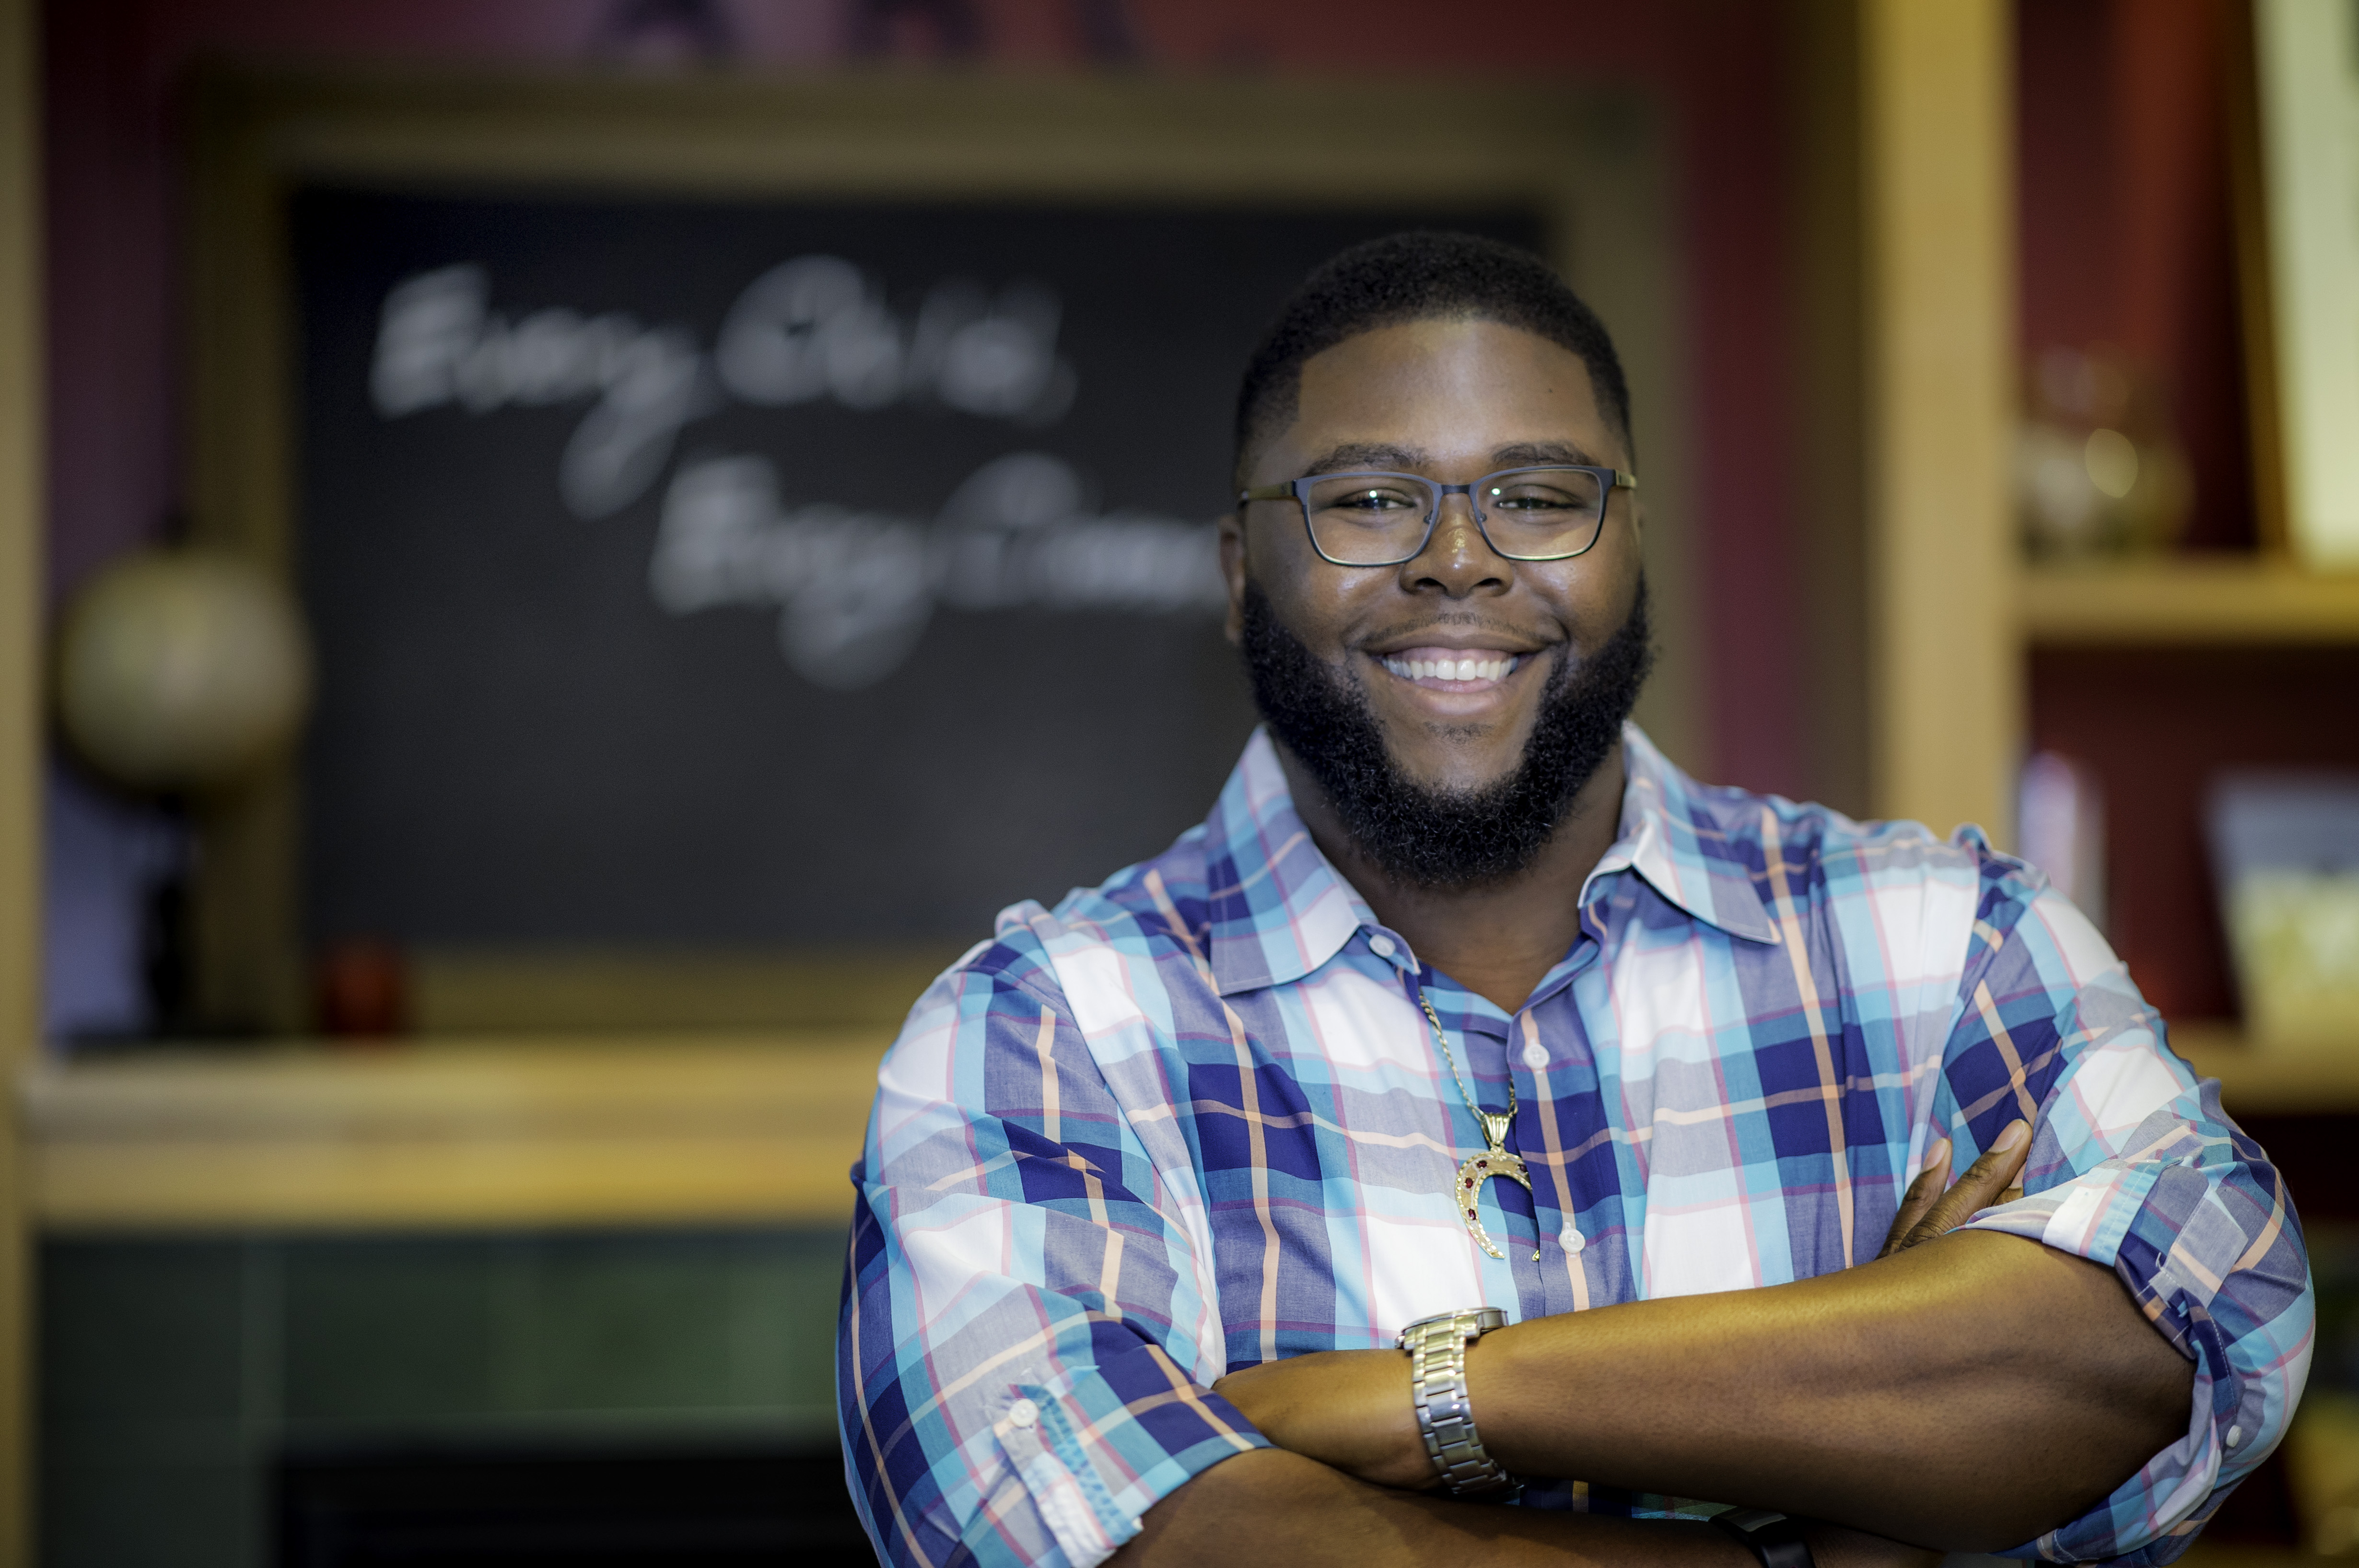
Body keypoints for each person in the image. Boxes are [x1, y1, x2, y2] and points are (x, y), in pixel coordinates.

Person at [835, 232, 2312, 1568]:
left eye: (1540, 498)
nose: (1462, 561)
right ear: (1240, 573)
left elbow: (2198, 1323)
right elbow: (1117, 1545)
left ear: (1630, 547)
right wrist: (1806, 1530)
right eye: (1366, 499)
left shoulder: (1946, 950)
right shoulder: (1040, 1038)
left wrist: (1428, 1403)